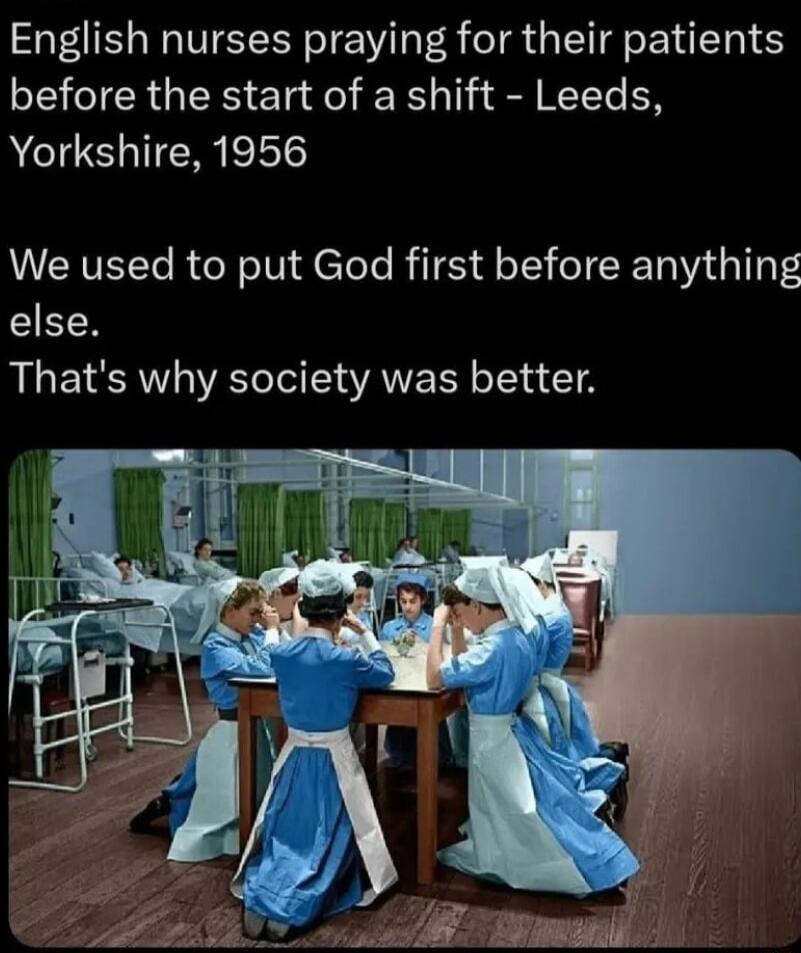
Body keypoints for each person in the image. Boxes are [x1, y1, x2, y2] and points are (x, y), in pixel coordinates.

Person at [427, 567, 639, 896]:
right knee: (525, 807)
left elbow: (434, 679)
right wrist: (457, 630)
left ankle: (551, 864)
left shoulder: (492, 649)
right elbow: (465, 667)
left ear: (479, 606)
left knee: (514, 813)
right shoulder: (516, 636)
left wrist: (438, 626)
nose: (463, 621)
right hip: (508, 730)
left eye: (463, 614)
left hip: (491, 740)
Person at [231, 561, 398, 942]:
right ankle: (296, 904)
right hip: (334, 760)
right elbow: (384, 672)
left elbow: (273, 647)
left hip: (293, 758)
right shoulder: (346, 659)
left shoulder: (283, 655)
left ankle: (267, 897)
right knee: (326, 837)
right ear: (342, 614)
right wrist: (366, 633)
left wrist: (275, 630)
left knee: (286, 835)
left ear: (303, 609)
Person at [128, 579, 278, 860]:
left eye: (261, 613)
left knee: (216, 784)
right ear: (229, 610)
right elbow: (263, 667)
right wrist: (271, 631)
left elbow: (282, 655)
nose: (258, 619)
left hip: (254, 727)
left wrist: (269, 629)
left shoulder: (251, 637)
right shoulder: (216, 646)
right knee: (211, 791)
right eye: (252, 612)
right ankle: (168, 804)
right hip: (231, 728)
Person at [520, 554, 629, 818]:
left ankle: (606, 781)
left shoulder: (548, 617)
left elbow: (528, 654)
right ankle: (609, 770)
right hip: (554, 688)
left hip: (545, 692)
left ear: (541, 584)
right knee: (570, 756)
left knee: (561, 763)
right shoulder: (554, 609)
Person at [380, 574, 452, 769]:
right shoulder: (389, 628)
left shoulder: (434, 627)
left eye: (413, 601)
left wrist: (421, 643)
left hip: (426, 687)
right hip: (399, 687)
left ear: (423, 600)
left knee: (432, 750)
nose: (408, 607)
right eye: (403, 601)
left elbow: (442, 655)